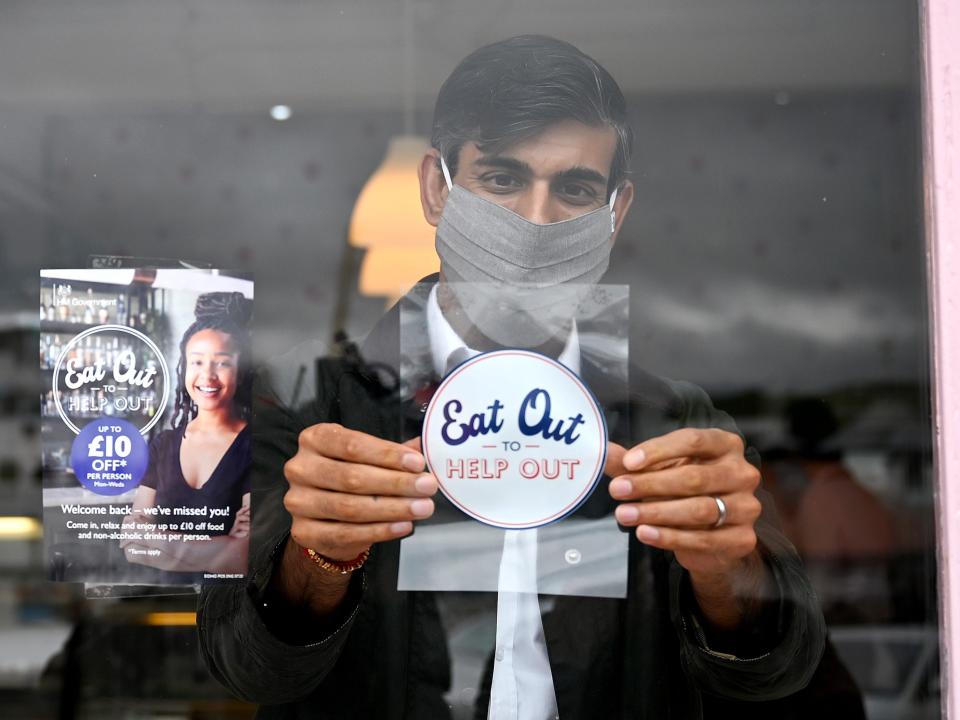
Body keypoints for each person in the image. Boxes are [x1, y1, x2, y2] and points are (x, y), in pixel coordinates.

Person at [198, 35, 826, 718]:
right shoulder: (308, 410)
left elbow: (778, 672)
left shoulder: (676, 423)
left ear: (616, 212)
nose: (534, 220)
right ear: (437, 188)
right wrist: (316, 558)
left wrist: (725, 563)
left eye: (575, 188)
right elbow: (241, 665)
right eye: (501, 178)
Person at [121, 291, 253, 578]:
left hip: (224, 606)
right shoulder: (164, 443)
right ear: (184, 368)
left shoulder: (256, 447)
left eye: (222, 362)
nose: (208, 375)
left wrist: (153, 539)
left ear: (240, 372)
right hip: (160, 597)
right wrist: (219, 548)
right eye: (196, 362)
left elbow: (242, 557)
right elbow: (131, 545)